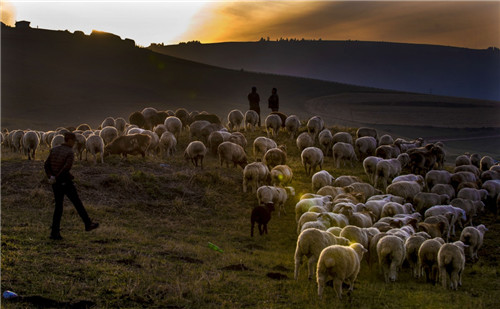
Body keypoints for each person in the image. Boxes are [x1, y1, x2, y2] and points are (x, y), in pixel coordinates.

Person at [44, 132, 99, 240]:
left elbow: (46, 164)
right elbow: (66, 167)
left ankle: (54, 233)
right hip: (64, 181)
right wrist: (58, 177)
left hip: (55, 183)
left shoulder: (54, 149)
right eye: (73, 141)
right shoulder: (69, 152)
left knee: (58, 207)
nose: (74, 143)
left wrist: (51, 176)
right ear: (68, 140)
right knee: (77, 202)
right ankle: (88, 224)